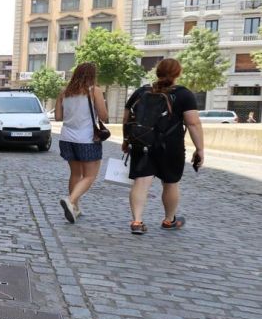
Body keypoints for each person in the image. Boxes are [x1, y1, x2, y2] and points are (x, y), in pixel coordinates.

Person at [122, 58, 204, 235]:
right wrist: (200, 149)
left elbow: (127, 118)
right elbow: (193, 123)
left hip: (141, 143)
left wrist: (126, 140)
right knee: (170, 182)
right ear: (178, 73)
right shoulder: (184, 94)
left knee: (141, 181)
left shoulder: (140, 92)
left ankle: (137, 221)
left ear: (157, 72)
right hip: (170, 146)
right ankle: (169, 220)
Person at [54, 62, 107, 224]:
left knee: (75, 174)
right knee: (90, 175)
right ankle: (71, 200)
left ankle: (75, 207)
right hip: (87, 138)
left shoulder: (64, 92)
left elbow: (57, 117)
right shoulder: (94, 91)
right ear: (92, 75)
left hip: (67, 138)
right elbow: (104, 116)